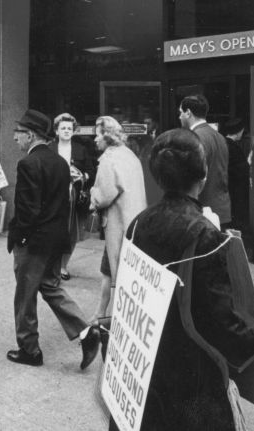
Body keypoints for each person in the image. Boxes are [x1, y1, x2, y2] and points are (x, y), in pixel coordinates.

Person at [108, 128, 254, 430]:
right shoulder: (204, 234)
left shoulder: (139, 223)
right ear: (202, 177)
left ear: (157, 176)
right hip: (190, 380)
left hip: (143, 373)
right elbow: (223, 324)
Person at [6, 109, 100, 370]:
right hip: (55, 239)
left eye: (18, 133)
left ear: (30, 135)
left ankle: (29, 349)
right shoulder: (59, 162)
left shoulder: (28, 163)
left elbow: (27, 210)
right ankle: (86, 331)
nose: (15, 138)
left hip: (33, 242)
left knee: (25, 295)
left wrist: (20, 239)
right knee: (49, 287)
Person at [88, 116, 146, 337]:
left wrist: (92, 195)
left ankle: (110, 318)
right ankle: (100, 312)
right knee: (109, 270)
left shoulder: (109, 159)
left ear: (107, 135)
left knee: (114, 271)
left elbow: (103, 195)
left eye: (98, 134)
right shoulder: (129, 155)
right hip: (133, 221)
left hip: (117, 223)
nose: (95, 139)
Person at [49, 113, 97, 280]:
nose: (67, 131)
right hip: (53, 197)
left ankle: (63, 266)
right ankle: (52, 264)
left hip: (74, 198)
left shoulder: (80, 149)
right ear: (56, 131)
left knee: (71, 233)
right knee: (54, 232)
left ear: (74, 131)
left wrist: (82, 176)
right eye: (63, 128)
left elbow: (91, 171)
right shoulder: (49, 149)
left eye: (70, 128)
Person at [178, 94, 231, 226]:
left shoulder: (194, 137)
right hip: (221, 210)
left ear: (188, 113)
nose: (179, 117)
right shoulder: (219, 137)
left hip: (202, 212)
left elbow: (193, 177)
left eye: (181, 113)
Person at [222, 118, 250, 234]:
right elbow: (241, 170)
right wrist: (249, 161)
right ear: (239, 131)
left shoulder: (224, 144)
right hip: (236, 190)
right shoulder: (233, 147)